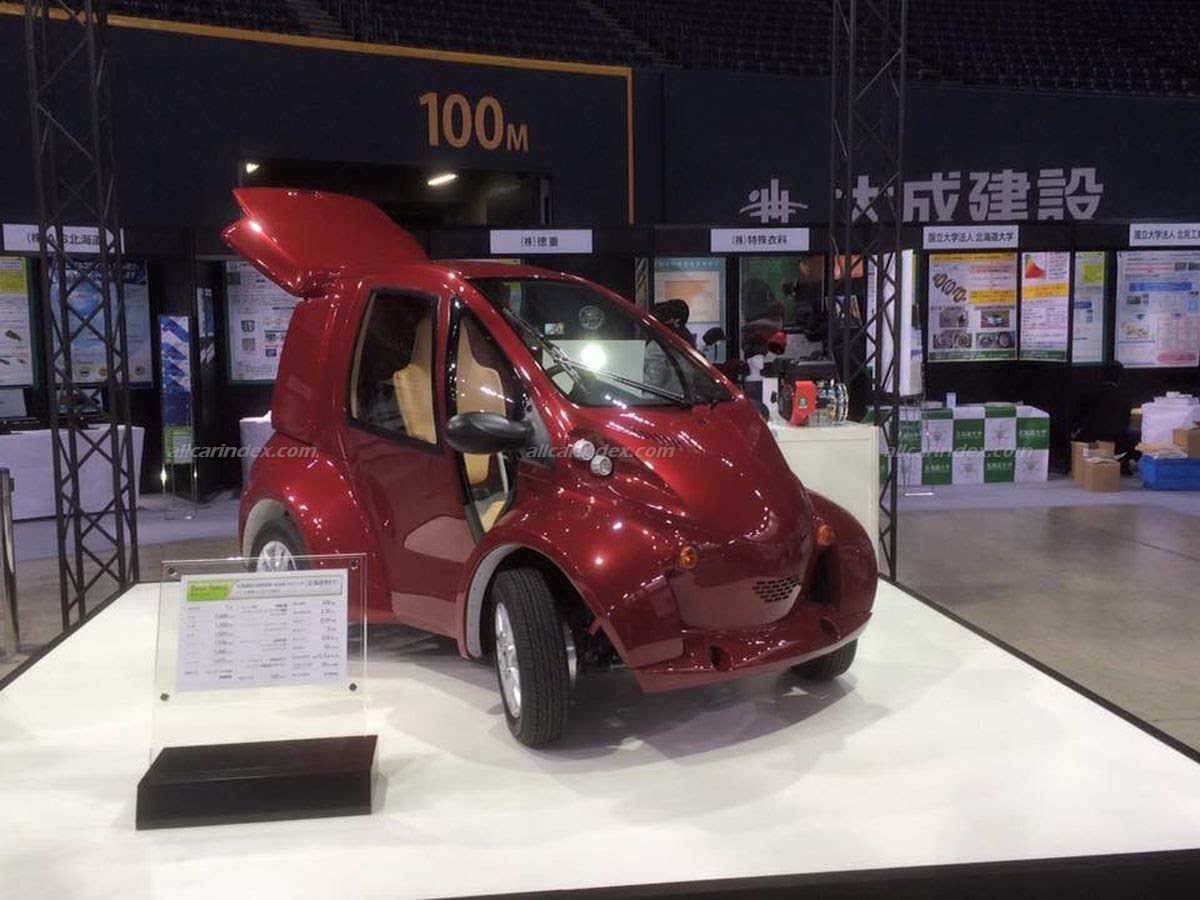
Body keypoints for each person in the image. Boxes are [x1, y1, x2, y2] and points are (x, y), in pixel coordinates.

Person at [1073, 361, 1134, 473]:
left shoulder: (1088, 394)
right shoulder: (1124, 397)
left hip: (1088, 440)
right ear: (1120, 378)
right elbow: (1124, 425)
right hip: (1114, 443)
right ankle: (1121, 463)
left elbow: (1078, 420)